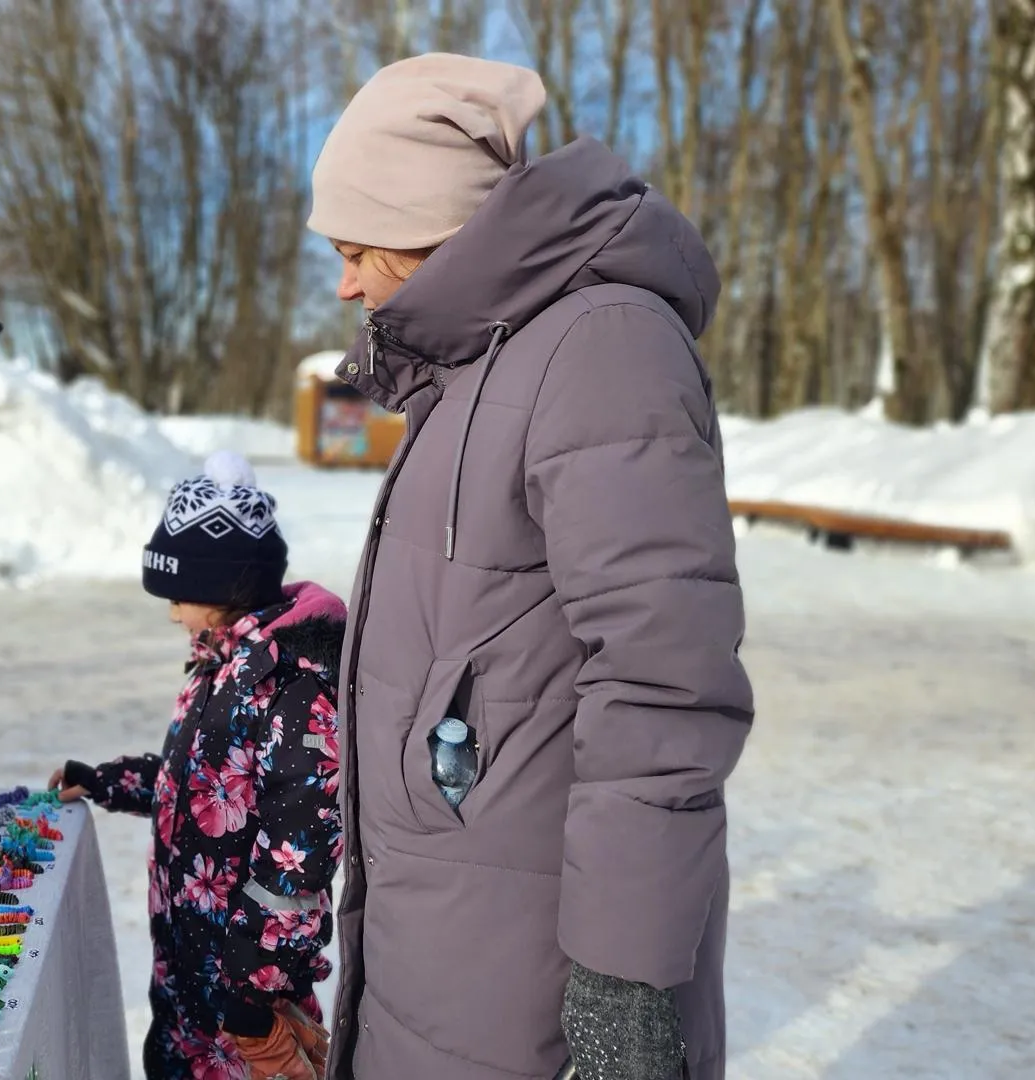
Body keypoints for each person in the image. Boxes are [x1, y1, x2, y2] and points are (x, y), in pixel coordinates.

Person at [306, 54, 754, 1080]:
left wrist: (624, 979)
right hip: (449, 941)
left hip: (533, 977)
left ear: (426, 221)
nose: (345, 283)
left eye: (356, 248)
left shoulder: (603, 347)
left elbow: (663, 675)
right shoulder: (476, 366)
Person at [51, 451, 345, 1080]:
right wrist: (109, 781)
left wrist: (253, 995)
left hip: (242, 1009)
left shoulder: (294, 689)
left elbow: (299, 857)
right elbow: (201, 783)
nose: (171, 612)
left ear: (223, 590)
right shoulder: (221, 664)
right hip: (187, 986)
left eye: (179, 595)